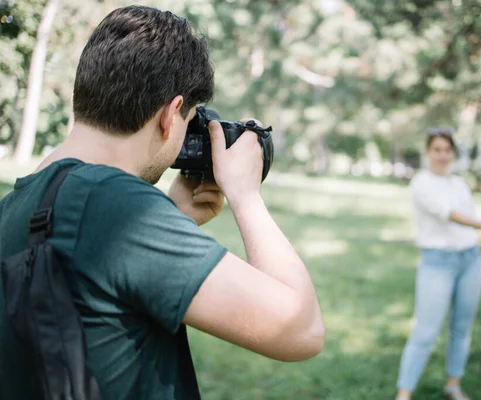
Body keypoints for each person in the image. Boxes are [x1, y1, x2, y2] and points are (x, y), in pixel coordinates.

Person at [0, 6, 325, 400]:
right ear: (171, 115)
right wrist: (246, 196)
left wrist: (171, 219)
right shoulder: (117, 205)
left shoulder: (18, 203)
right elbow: (301, 329)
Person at [394, 128, 481, 400]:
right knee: (425, 332)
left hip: (471, 260)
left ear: (453, 153)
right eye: (437, 149)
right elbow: (450, 215)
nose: (442, 155)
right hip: (437, 263)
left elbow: (471, 220)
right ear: (428, 152)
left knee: (462, 328)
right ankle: (404, 394)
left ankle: (453, 385)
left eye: (447, 150)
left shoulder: (459, 183)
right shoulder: (421, 183)